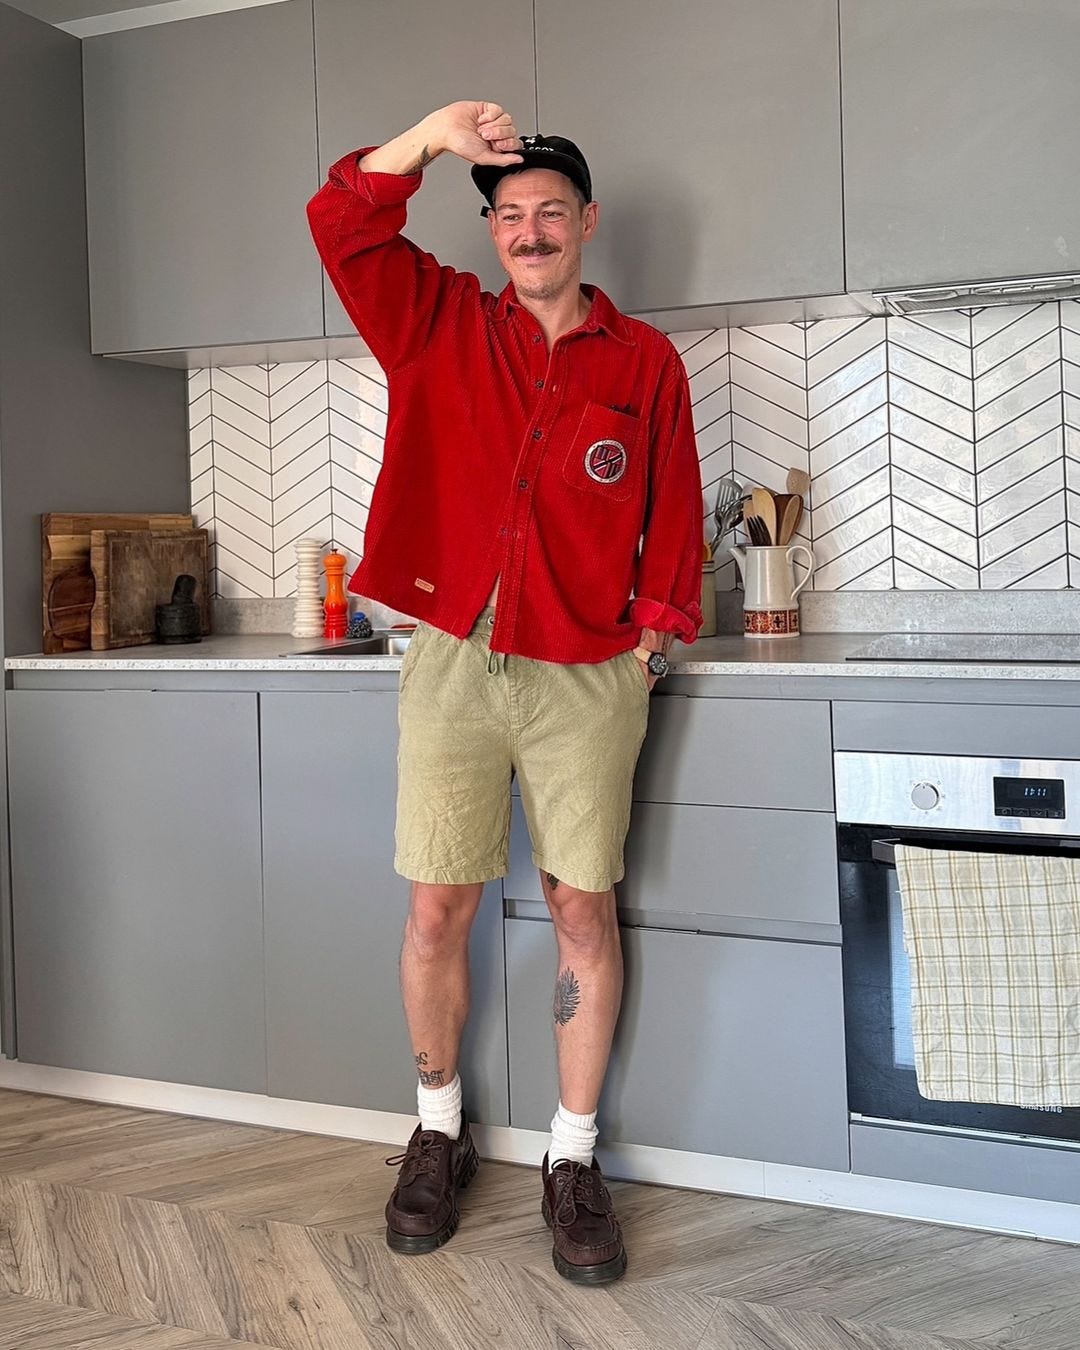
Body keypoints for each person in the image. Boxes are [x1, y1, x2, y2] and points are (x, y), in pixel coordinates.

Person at [306, 101, 703, 1286]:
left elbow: (674, 516)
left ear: (588, 224)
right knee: (437, 910)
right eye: (510, 215)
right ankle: (438, 1129)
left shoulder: (645, 364)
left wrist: (655, 638)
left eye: (550, 213)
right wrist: (428, 139)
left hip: (588, 673)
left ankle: (571, 1159)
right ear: (491, 234)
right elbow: (341, 222)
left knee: (584, 914)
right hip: (451, 656)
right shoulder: (434, 323)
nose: (530, 232)